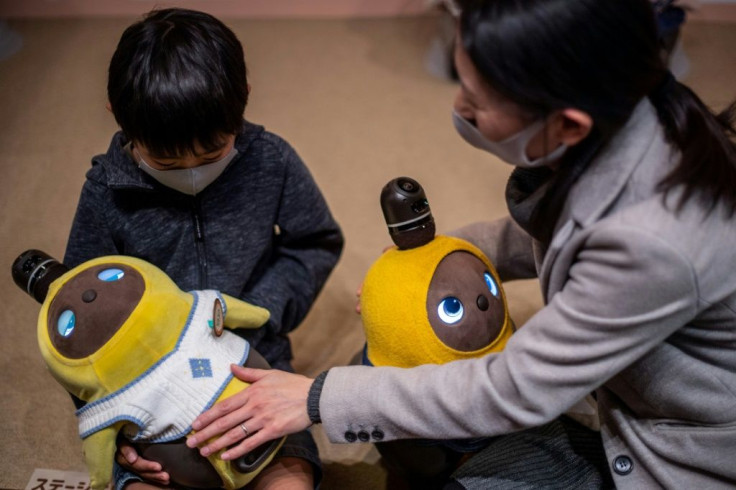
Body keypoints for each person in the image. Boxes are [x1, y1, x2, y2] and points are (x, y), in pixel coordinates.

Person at [184, 0, 736, 488]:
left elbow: (513, 389)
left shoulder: (653, 243)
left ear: (567, 125)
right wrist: (445, 254)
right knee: (386, 375)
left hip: (670, 452)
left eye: (476, 101)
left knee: (402, 410)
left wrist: (314, 398)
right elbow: (550, 231)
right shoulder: (635, 106)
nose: (460, 112)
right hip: (616, 396)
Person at [63, 7, 344, 490]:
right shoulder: (106, 192)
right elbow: (75, 320)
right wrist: (109, 421)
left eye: (211, 154)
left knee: (289, 478)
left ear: (244, 102)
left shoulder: (271, 160)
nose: (192, 169)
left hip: (252, 366)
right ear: (120, 118)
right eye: (167, 160)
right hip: (148, 389)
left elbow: (314, 243)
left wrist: (261, 310)